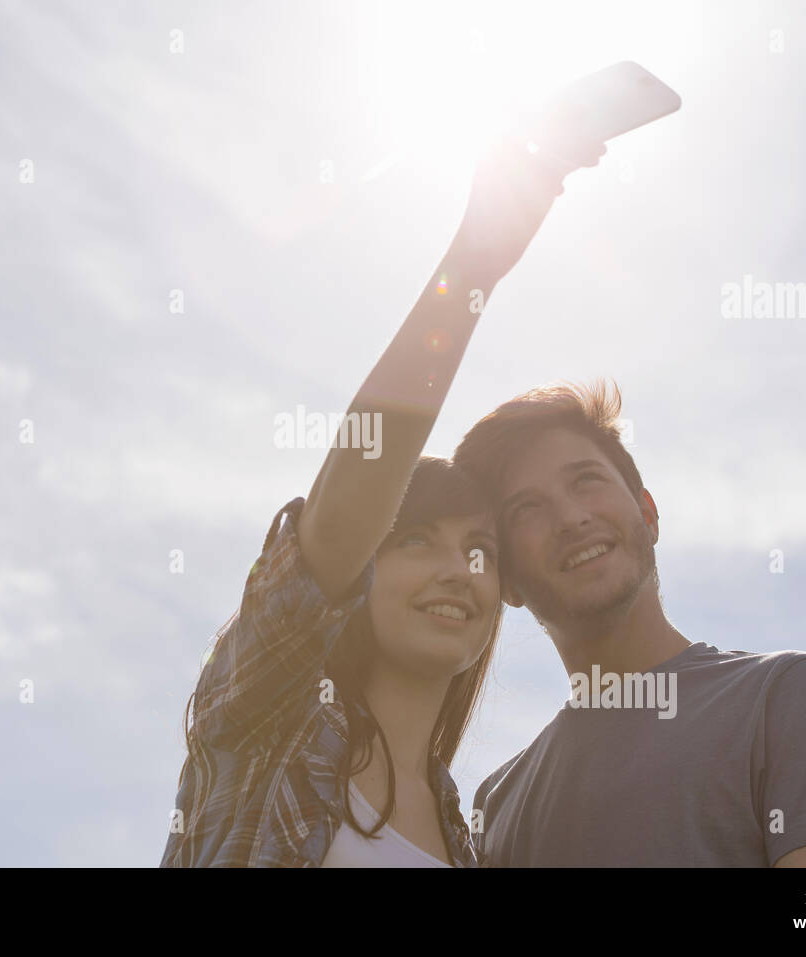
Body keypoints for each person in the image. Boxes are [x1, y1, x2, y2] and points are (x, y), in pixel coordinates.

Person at [160, 117, 607, 867]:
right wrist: (473, 268)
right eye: (414, 540)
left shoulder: (473, 842)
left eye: (480, 550)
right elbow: (341, 512)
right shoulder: (270, 720)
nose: (456, 570)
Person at [452, 381, 806, 866]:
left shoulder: (784, 696)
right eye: (527, 509)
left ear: (648, 514)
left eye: (586, 480)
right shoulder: (496, 803)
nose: (571, 518)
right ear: (506, 582)